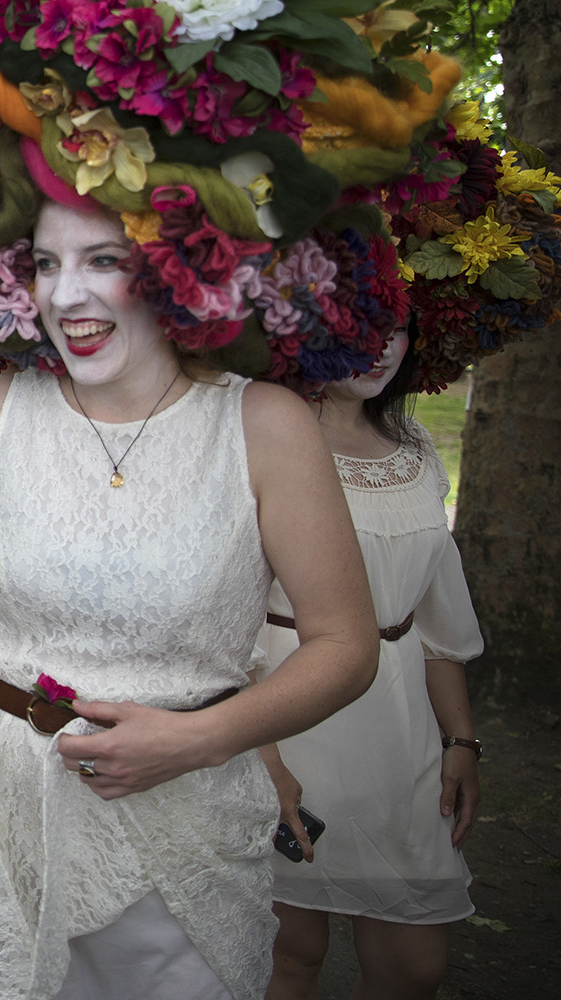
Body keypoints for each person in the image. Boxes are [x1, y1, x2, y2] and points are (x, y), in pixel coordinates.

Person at [0, 5, 471, 995]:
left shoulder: (265, 424)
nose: (68, 296)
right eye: (47, 265)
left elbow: (346, 645)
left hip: (188, 833)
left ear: (183, 264)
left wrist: (203, 737)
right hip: (11, 809)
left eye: (105, 260)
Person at [258, 99, 560, 1000]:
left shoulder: (420, 450)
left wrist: (462, 741)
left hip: (401, 735)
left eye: (395, 324)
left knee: (413, 965)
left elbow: (436, 619)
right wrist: (258, 757)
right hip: (284, 714)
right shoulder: (265, 433)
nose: (380, 346)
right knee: (288, 957)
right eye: (359, 320)